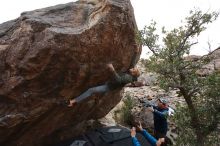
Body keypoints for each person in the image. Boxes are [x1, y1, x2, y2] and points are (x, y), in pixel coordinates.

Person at [68, 44, 141, 107]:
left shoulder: (128, 78)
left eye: (134, 69)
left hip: (108, 87)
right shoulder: (130, 73)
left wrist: (112, 70)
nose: (133, 68)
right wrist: (136, 52)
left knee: (91, 90)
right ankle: (91, 99)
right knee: (93, 88)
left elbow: (118, 80)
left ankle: (73, 101)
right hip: (109, 82)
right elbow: (132, 63)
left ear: (133, 73)